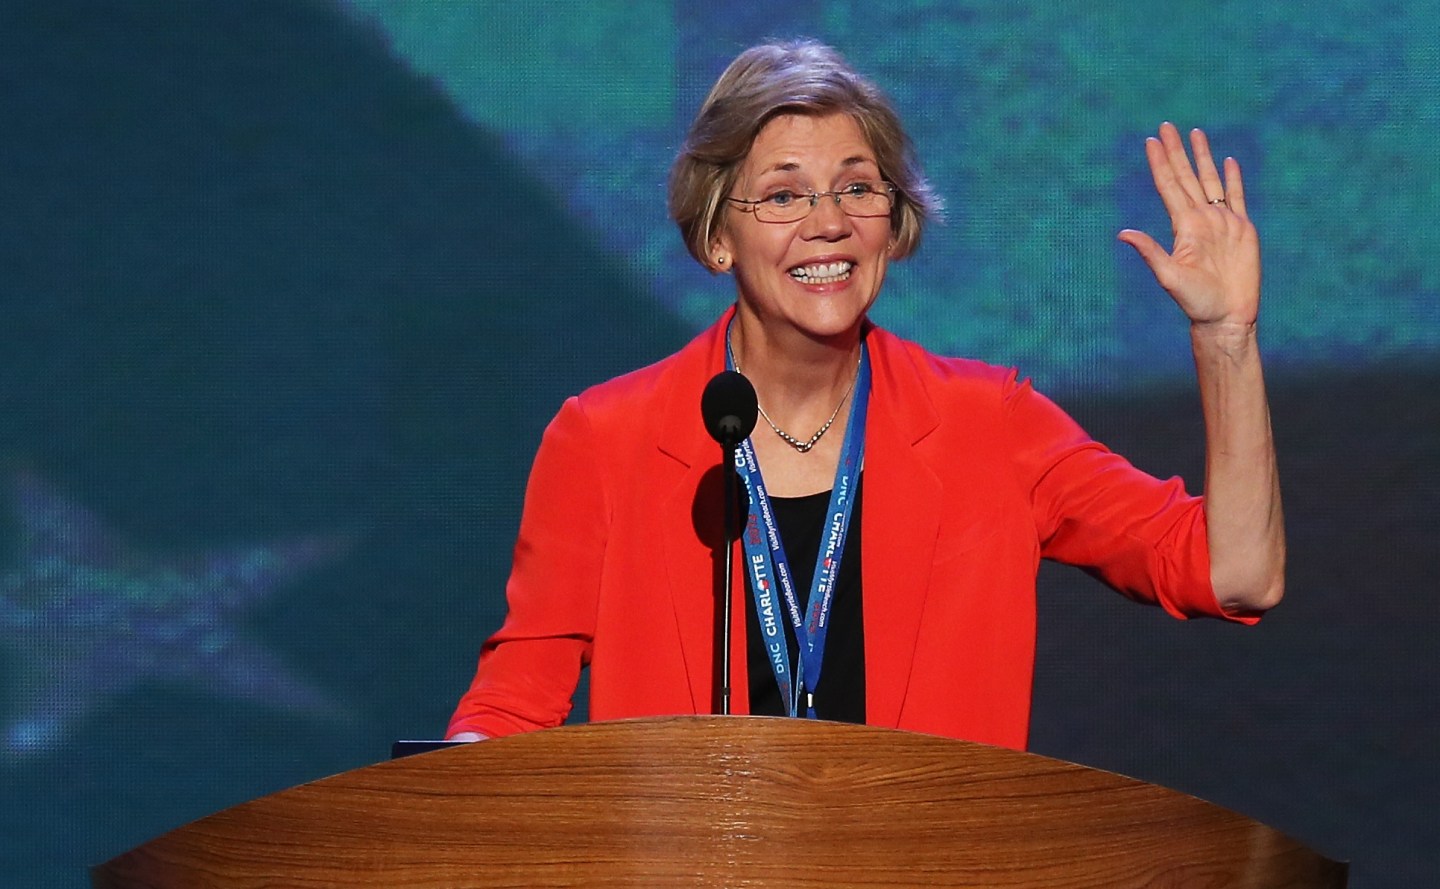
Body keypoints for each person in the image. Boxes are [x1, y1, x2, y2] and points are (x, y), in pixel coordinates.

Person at [447, 40, 1283, 749]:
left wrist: (1226, 340)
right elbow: (515, 701)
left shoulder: (987, 423)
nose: (830, 222)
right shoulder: (608, 437)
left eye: (857, 187)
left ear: (895, 218)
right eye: (783, 195)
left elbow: (1236, 573)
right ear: (714, 235)